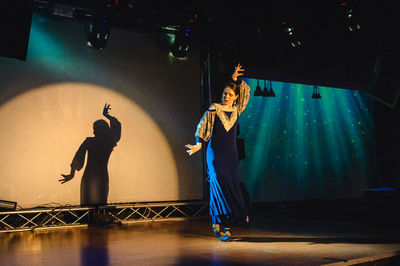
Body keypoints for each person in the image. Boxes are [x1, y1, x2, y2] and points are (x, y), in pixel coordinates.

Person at [185, 63, 251, 241]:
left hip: (231, 156)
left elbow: (245, 94)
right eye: (224, 93)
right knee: (218, 188)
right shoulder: (214, 108)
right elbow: (203, 126)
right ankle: (217, 224)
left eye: (230, 94)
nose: (226, 96)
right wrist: (199, 144)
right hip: (215, 155)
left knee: (230, 187)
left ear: (235, 97)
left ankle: (226, 226)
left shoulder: (237, 110)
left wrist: (234, 79)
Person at [60, 104, 121, 206]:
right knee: (100, 204)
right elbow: (116, 127)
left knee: (87, 203)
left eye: (95, 128)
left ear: (100, 129)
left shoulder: (90, 142)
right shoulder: (109, 142)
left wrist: (72, 173)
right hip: (101, 176)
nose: (93, 131)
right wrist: (107, 115)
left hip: (89, 176)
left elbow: (78, 156)